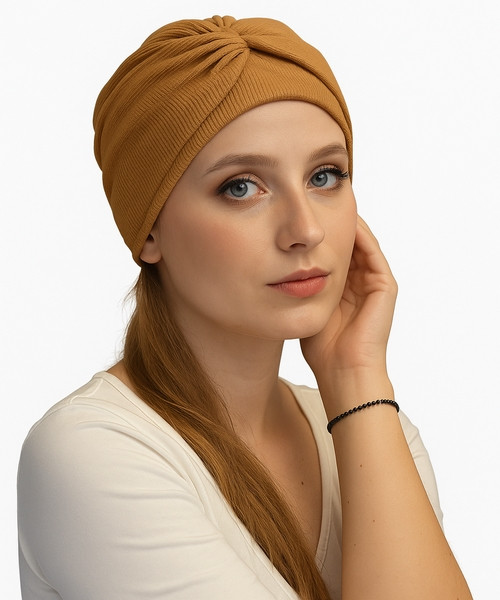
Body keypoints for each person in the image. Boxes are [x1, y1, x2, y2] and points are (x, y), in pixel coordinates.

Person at [17, 15, 472, 600]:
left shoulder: (372, 427)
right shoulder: (93, 452)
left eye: (325, 176)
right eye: (240, 187)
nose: (305, 229)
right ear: (148, 229)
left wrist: (357, 376)